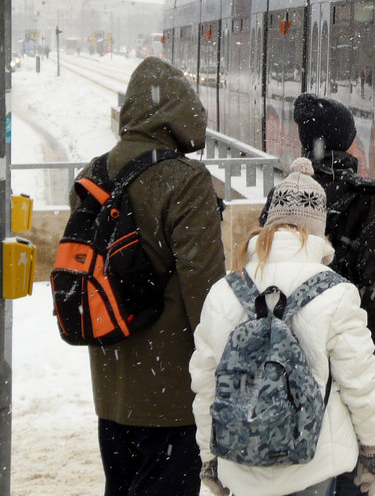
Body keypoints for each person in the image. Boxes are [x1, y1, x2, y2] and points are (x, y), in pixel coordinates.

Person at [72, 56, 226, 496]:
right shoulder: (187, 181)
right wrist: (223, 373)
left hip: (111, 387)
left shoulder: (93, 175)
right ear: (180, 111)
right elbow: (207, 296)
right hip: (171, 398)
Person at [191, 158, 375, 496]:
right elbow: (360, 382)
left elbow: (207, 386)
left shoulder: (223, 292)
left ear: (269, 225)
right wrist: (373, 451)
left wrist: (210, 459)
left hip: (242, 465)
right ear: (317, 229)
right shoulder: (336, 292)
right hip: (312, 465)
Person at [265, 93, 375, 388]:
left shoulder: (282, 199)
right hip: (348, 371)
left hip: (281, 367)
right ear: (347, 141)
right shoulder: (371, 209)